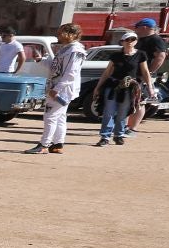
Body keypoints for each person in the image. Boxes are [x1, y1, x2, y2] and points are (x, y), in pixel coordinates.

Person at [30, 22, 85, 154]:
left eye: (61, 33)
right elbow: (56, 67)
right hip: (57, 87)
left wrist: (57, 89)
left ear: (71, 34)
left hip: (61, 89)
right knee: (60, 117)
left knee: (50, 116)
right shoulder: (66, 49)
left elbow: (71, 73)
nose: (58, 35)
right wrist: (40, 60)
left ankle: (44, 144)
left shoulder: (75, 51)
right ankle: (57, 144)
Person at [91, 33, 142, 146]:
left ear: (136, 41)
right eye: (127, 39)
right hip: (113, 86)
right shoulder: (115, 56)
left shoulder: (140, 55)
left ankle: (118, 135)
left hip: (129, 88)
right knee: (108, 112)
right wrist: (98, 87)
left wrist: (151, 88)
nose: (130, 41)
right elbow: (107, 72)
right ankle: (105, 137)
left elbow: (146, 72)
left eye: (133, 39)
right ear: (122, 42)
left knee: (123, 113)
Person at [131, 18, 167, 131]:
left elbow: (160, 57)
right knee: (132, 100)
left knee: (139, 101)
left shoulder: (156, 40)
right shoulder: (141, 39)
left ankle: (133, 128)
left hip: (142, 75)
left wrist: (149, 72)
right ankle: (128, 125)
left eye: (137, 27)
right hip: (135, 74)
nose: (135, 30)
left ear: (144, 27)